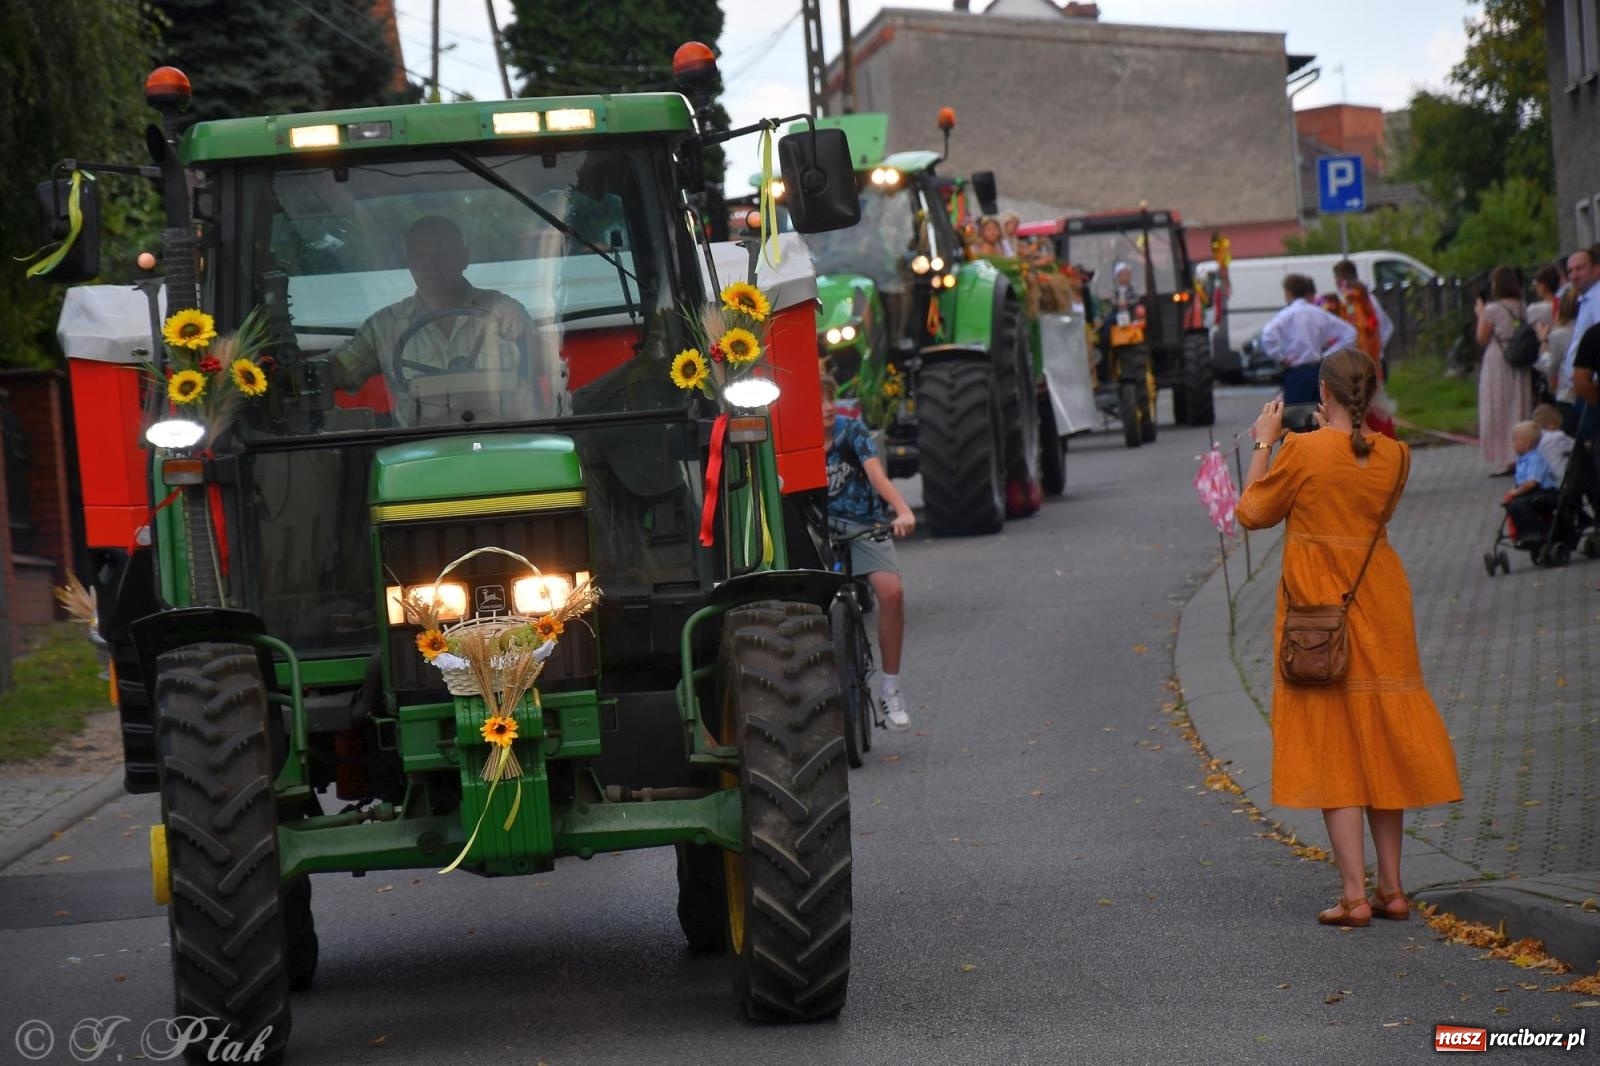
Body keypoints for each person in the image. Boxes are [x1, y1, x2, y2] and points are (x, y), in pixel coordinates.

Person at [1237, 348, 1462, 928]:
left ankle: (1352, 895)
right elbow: (1363, 496)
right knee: (1383, 741)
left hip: (1318, 609)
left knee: (1333, 744)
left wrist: (1266, 442)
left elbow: (1253, 512)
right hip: (1381, 603)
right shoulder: (1397, 456)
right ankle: (1392, 888)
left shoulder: (1303, 451)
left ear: (1324, 394)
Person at [329, 215, 561, 418]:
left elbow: (546, 365)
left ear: (464, 258)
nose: (430, 265)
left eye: (441, 255)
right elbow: (339, 371)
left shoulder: (503, 309)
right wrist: (301, 374)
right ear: (409, 264)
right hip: (421, 453)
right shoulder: (383, 327)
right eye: (419, 257)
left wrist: (524, 334)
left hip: (505, 441)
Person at [822, 375, 916, 731]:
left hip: (863, 525)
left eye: (830, 398)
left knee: (892, 592)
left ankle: (890, 688)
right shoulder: (789, 435)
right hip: (818, 531)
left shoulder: (851, 431)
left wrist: (903, 511)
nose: (829, 406)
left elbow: (877, 476)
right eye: (818, 401)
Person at [1258, 274, 1357, 404]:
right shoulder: (1319, 313)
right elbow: (1350, 333)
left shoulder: (1286, 315)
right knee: (1320, 414)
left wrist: (1280, 357)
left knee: (1297, 416)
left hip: (1296, 372)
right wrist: (1327, 354)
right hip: (1319, 370)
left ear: (1288, 293)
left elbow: (1267, 336)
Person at [1476, 266, 1529, 475]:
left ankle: (1503, 456)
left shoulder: (1492, 309)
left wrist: (1480, 314)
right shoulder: (1522, 306)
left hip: (1498, 359)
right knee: (1518, 404)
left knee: (1497, 408)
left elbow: (1482, 338)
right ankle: (1518, 453)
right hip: (1518, 358)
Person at [1556, 246, 1600, 410]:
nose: (1574, 275)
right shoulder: (1586, 298)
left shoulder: (1598, 296)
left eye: (1580, 268)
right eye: (1570, 271)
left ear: (1596, 269)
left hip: (1591, 385)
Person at [1503, 421, 1561, 542]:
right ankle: (1522, 533)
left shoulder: (1535, 458)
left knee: (1520, 504)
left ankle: (1535, 532)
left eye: (1515, 440)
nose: (1512, 443)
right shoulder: (1522, 458)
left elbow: (1531, 483)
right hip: (1530, 490)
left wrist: (1517, 492)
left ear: (1527, 444)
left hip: (1543, 490)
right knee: (1513, 505)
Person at [1333, 259, 1394, 369]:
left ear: (1340, 280)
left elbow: (1349, 332)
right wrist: (1377, 348)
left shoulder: (1347, 302)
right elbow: (1387, 326)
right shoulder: (1370, 298)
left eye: (1336, 278)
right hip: (1375, 361)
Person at [1531, 403, 1574, 483]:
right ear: (1552, 425)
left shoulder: (1534, 439)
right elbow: (1575, 447)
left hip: (1542, 479)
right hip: (1561, 477)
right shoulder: (1556, 436)